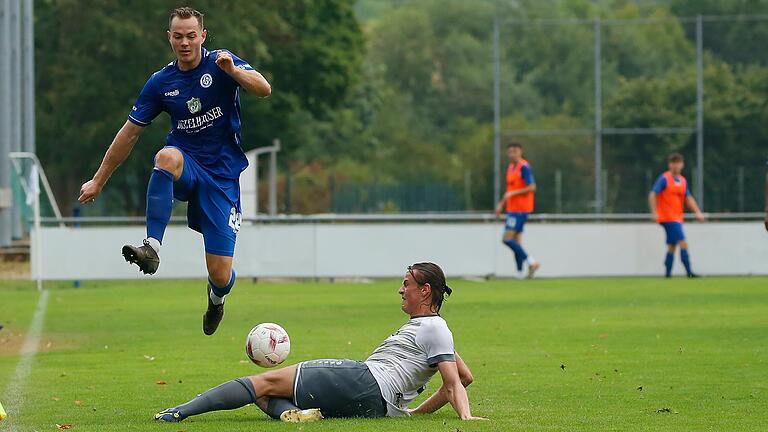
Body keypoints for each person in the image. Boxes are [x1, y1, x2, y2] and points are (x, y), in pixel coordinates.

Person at [78, 7, 271, 335]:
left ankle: (216, 299)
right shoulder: (160, 82)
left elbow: (263, 88)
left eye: (191, 36)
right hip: (187, 164)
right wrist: (98, 179)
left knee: (222, 274)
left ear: (202, 36)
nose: (185, 42)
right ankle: (152, 247)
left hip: (222, 177)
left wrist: (234, 71)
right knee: (165, 156)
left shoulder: (221, 63)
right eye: (178, 36)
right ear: (169, 38)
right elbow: (129, 133)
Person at [154, 262, 486, 423]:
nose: (401, 290)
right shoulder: (432, 331)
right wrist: (413, 411)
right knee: (266, 394)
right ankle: (291, 415)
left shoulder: (435, 329)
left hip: (365, 381)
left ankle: (179, 412)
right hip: (377, 404)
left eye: (406, 284)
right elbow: (465, 377)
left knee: (261, 382)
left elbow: (454, 382)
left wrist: (466, 419)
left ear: (425, 291)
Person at [648, 153, 705, 278]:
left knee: (672, 246)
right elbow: (653, 194)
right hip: (668, 218)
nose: (676, 165)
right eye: (673, 163)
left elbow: (688, 198)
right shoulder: (664, 179)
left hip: (677, 217)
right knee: (683, 242)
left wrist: (697, 212)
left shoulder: (683, 181)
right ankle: (689, 272)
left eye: (678, 162)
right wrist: (654, 212)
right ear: (669, 165)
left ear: (682, 164)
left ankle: (667, 274)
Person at [494, 142, 540, 279]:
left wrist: (512, 195)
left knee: (506, 239)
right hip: (512, 208)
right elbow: (509, 190)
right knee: (516, 242)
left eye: (515, 151)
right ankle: (519, 273)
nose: (512, 154)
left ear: (521, 151)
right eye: (510, 152)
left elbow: (532, 187)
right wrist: (501, 204)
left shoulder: (524, 167)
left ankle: (532, 262)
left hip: (520, 209)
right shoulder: (510, 167)